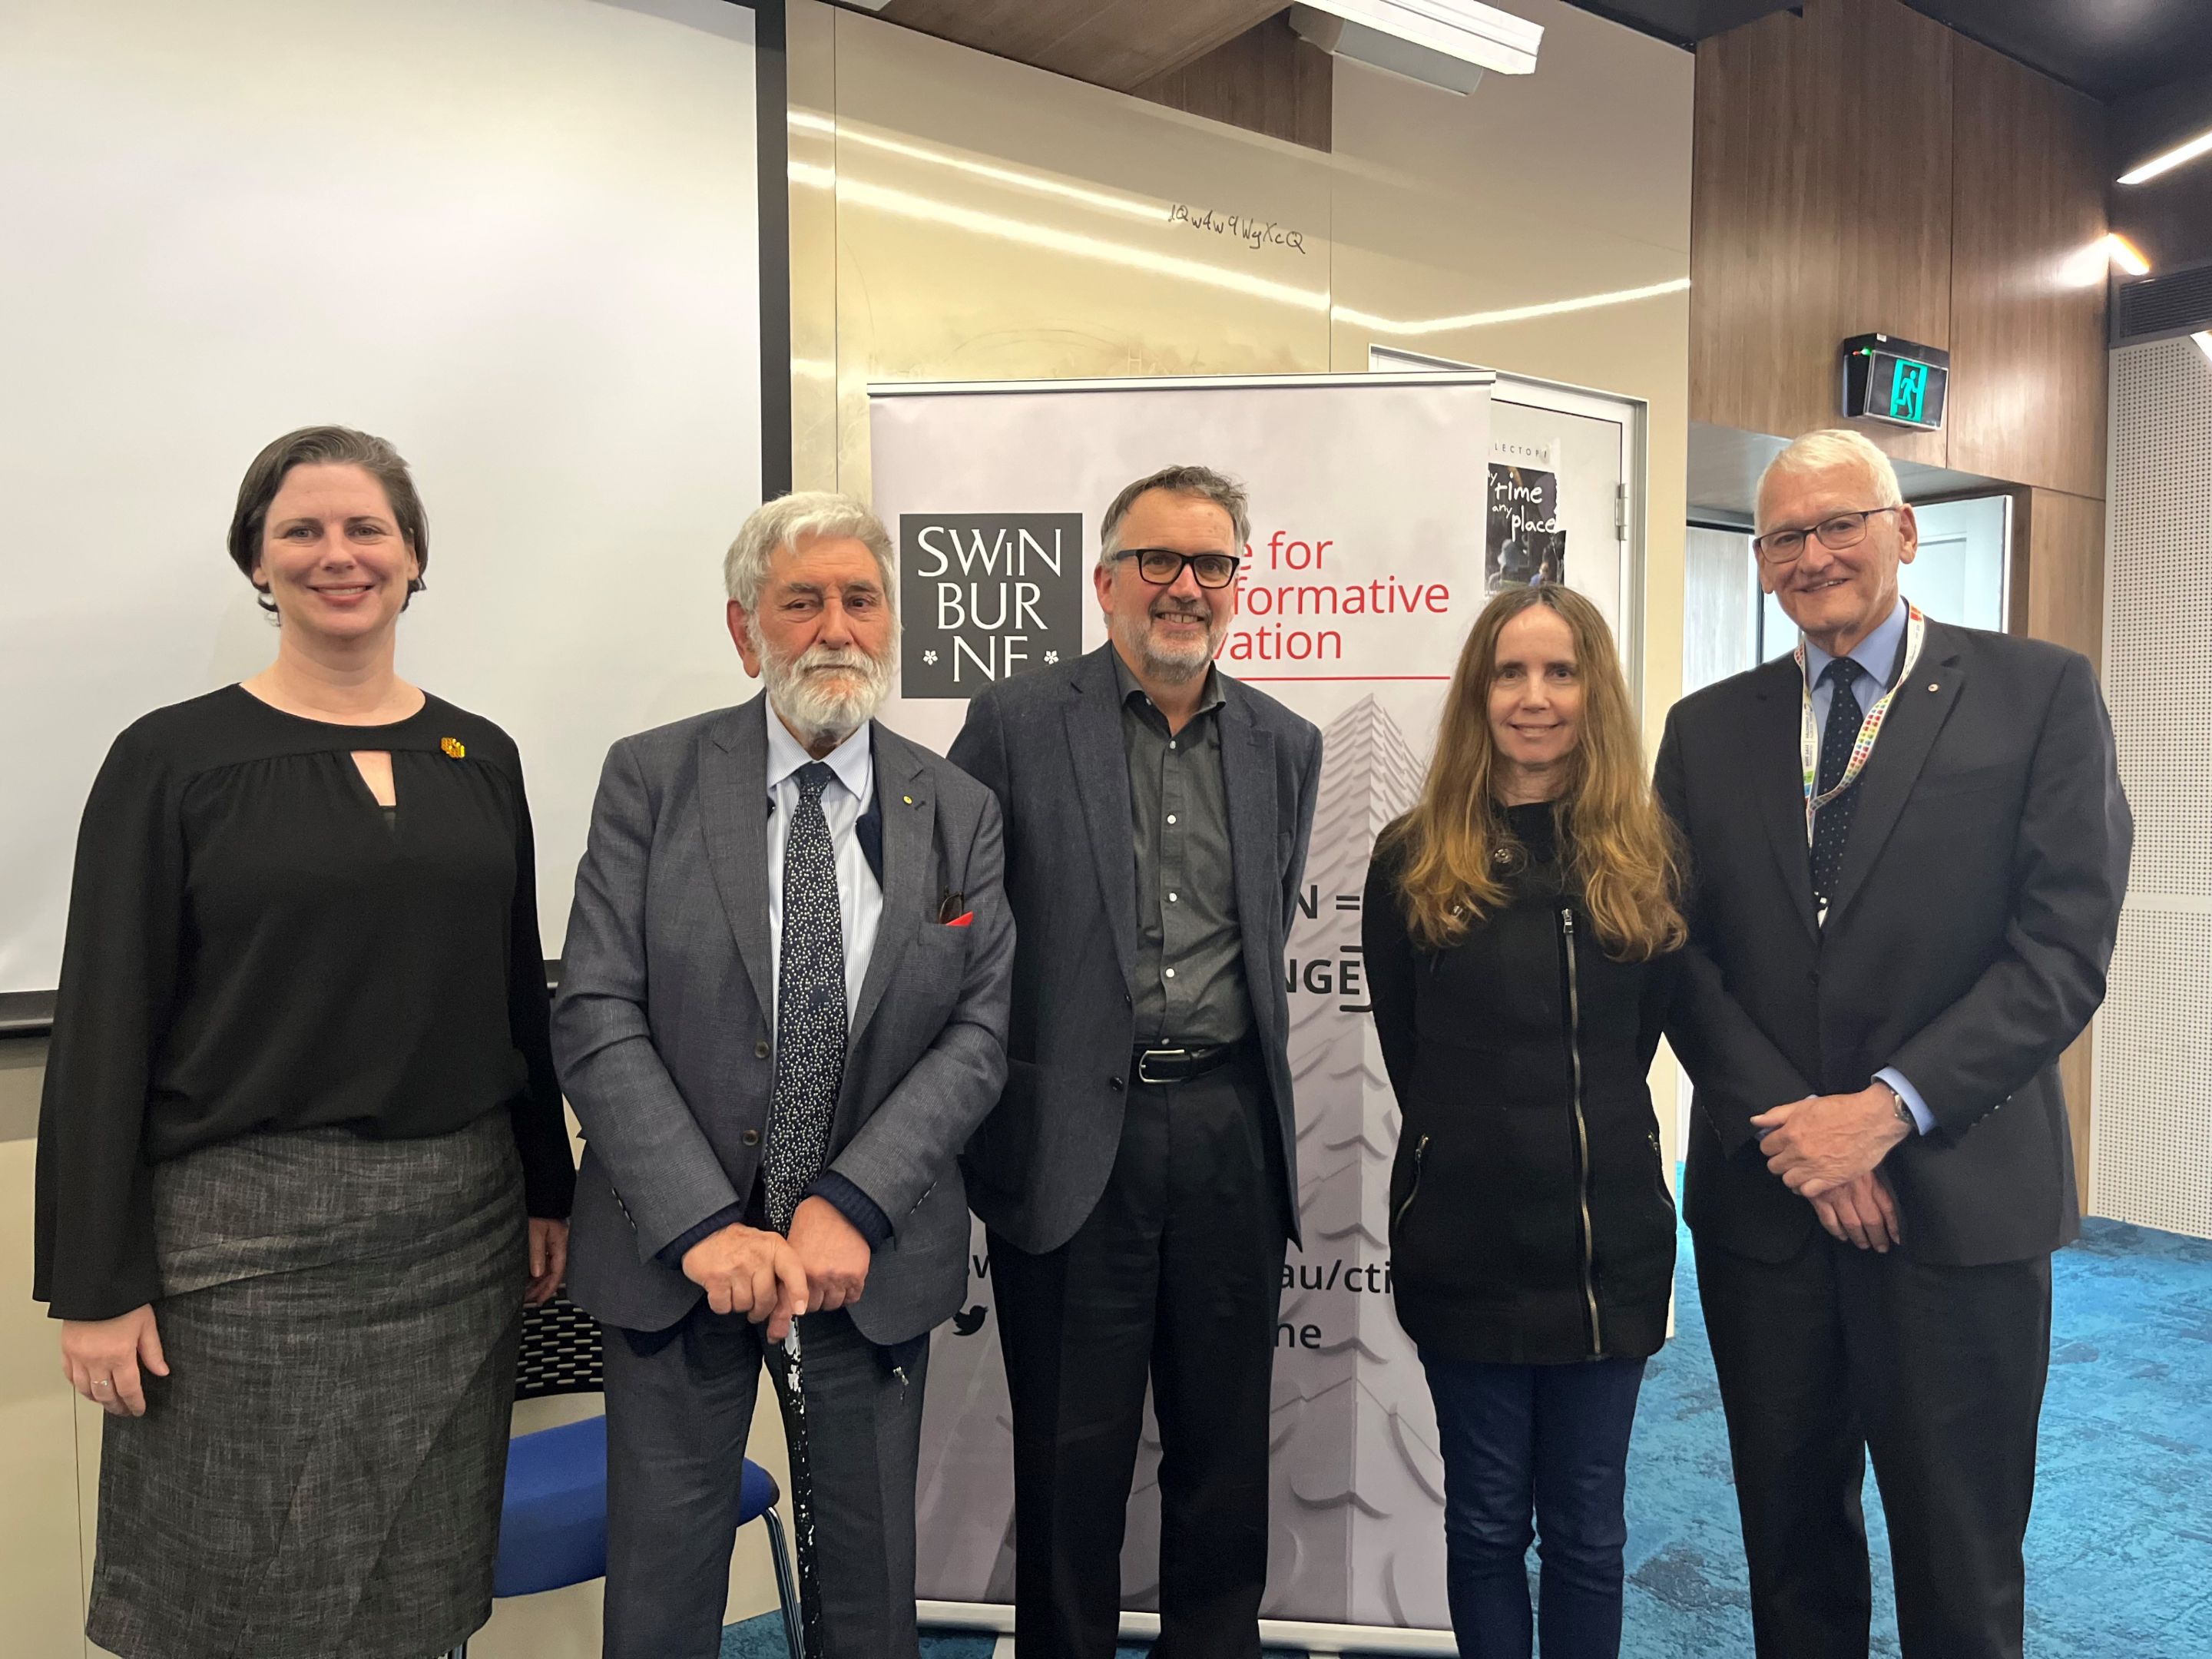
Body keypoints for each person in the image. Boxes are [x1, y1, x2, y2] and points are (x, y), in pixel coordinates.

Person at [32, 425, 575, 1659]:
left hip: (457, 1234)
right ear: (259, 564)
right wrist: (96, 1283)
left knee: (421, 1584)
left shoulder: (477, 756)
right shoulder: (170, 760)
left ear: (414, 557)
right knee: (232, 1587)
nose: (340, 555)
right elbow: (106, 1025)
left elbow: (512, 997)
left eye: (367, 528)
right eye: (304, 531)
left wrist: (552, 1186)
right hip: (242, 1253)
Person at [1655, 429, 2130, 1659]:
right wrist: (1800, 1133)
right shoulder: (1707, 730)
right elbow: (1677, 956)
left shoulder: (2038, 694)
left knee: (1961, 1561)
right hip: (1769, 1210)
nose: (1814, 557)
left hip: (1958, 1204)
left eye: (1839, 525)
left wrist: (1886, 1110)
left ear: (1904, 531)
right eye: (1784, 538)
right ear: (1760, 563)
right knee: (1791, 1550)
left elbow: (2062, 951)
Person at [551, 492, 1015, 1659]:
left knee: (868, 1598)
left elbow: (977, 1036)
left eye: (861, 599)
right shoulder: (650, 781)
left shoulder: (958, 809)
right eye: (801, 600)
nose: (835, 626)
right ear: (743, 627)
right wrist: (707, 1225)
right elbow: (597, 1011)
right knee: (663, 1598)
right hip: (679, 1258)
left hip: (867, 1257)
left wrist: (850, 1204)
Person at [949, 463, 1323, 1659]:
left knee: (1223, 1451)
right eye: (1157, 561)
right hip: (1070, 1146)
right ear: (1106, 581)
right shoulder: (1014, 724)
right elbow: (961, 931)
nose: (1184, 589)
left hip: (1228, 1134)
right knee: (1072, 1458)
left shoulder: (1285, 744)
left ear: (1237, 586)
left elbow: (1267, 925)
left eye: (1210, 565)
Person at [1363, 585, 1681, 1659]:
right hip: (1466, 1246)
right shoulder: (1412, 858)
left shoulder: (1645, 856)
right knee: (1488, 1522)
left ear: (1595, 692)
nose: (1534, 698)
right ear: (1477, 692)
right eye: (1510, 672)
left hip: (1609, 1249)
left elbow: (1628, 1059)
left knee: (1590, 1532)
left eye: (1560, 672)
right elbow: (1412, 1058)